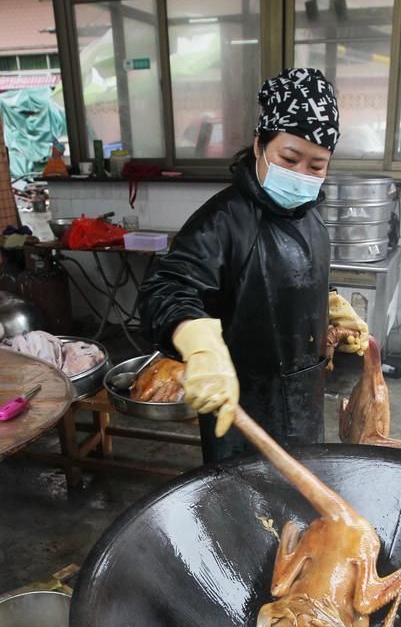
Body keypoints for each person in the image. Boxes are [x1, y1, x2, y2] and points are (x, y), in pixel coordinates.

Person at [138, 67, 369, 463]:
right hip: (242, 409)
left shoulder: (310, 216)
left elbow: (293, 279)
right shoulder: (224, 220)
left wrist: (327, 304)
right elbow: (167, 288)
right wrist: (198, 342)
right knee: (245, 511)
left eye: (316, 166)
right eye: (289, 158)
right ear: (259, 143)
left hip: (305, 399)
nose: (301, 176)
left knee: (302, 500)